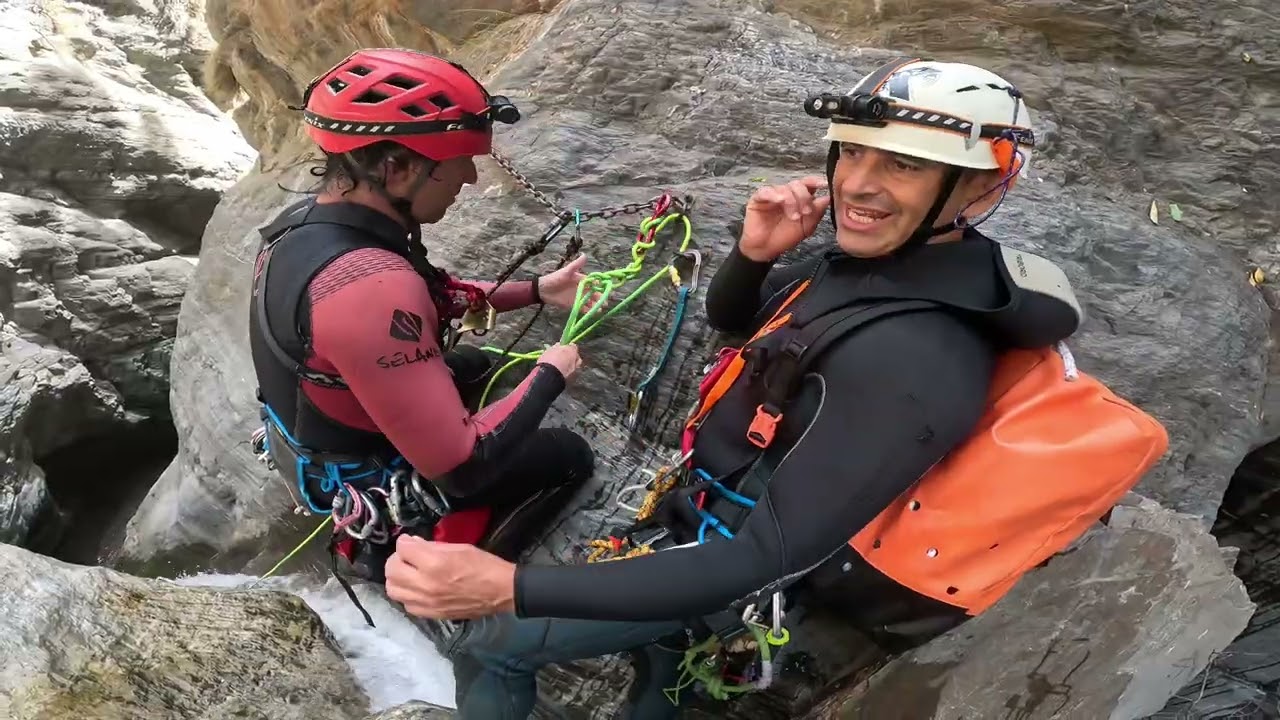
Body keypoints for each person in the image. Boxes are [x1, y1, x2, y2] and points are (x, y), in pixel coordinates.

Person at [380, 58, 1146, 718]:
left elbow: (766, 556)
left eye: (903, 166)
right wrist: (752, 255)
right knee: (659, 684)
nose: (860, 186)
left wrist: (512, 587)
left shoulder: (920, 352)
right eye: (852, 154)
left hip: (729, 579)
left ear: (979, 189)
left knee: (493, 646)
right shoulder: (884, 263)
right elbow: (740, 321)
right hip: (699, 541)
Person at [248, 47, 596, 585]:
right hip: (363, 473)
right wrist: (550, 374)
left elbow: (432, 295)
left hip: (316, 431)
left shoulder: (310, 225)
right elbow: (463, 465)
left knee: (474, 364)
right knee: (567, 455)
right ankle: (450, 576)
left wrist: (538, 290)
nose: (471, 180)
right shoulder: (370, 286)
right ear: (398, 168)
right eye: (456, 169)